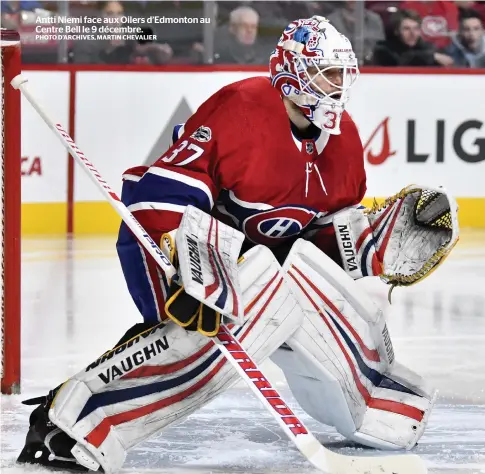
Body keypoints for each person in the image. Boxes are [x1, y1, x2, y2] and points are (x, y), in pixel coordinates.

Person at [17, 16, 445, 472]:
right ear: (293, 71)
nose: (339, 85)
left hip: (259, 266)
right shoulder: (241, 107)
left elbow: (311, 245)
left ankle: (374, 401)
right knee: (214, 329)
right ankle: (75, 418)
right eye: (328, 72)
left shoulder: (345, 141)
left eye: (344, 73)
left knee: (316, 305)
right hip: (176, 244)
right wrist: (194, 266)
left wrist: (366, 245)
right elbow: (166, 193)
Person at [371, 9, 454, 66]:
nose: (413, 33)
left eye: (416, 28)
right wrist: (432, 57)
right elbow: (402, 60)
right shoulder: (383, 49)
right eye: (406, 29)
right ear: (396, 31)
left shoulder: (427, 48)